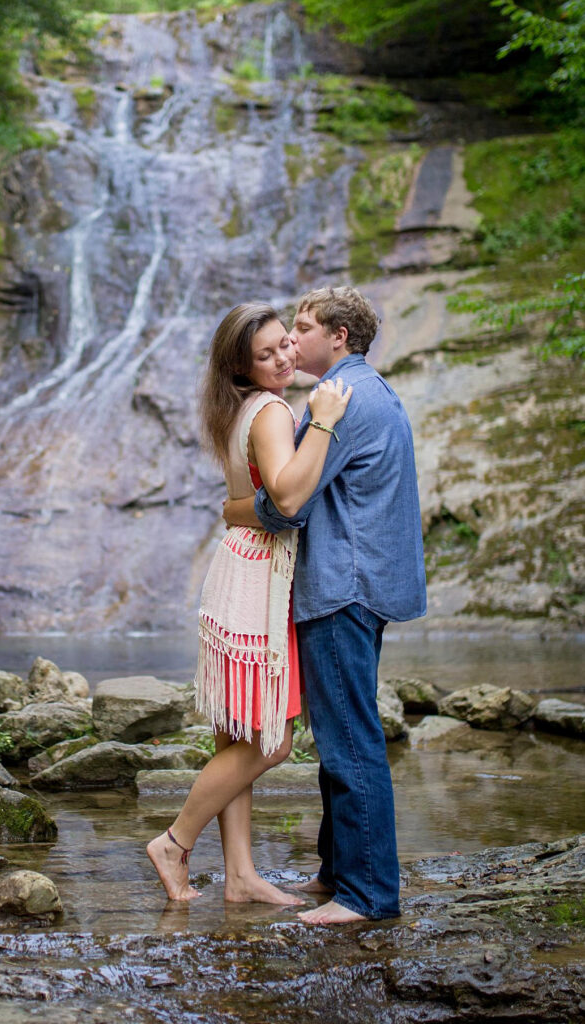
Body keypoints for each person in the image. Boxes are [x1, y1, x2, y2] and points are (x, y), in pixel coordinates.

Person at [223, 286, 427, 924]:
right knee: (345, 730)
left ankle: (366, 897)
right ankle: (339, 871)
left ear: (338, 337)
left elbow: (291, 502)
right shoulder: (370, 389)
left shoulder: (337, 399)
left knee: (348, 742)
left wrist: (233, 509)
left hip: (343, 586)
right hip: (361, 583)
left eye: (302, 329)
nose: (291, 343)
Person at [146, 302, 352, 904]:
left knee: (236, 734)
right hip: (259, 582)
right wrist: (325, 421)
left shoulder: (237, 410)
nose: (285, 357)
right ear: (241, 365)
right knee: (271, 741)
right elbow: (288, 498)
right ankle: (176, 840)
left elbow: (244, 502)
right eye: (265, 355)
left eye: (286, 343)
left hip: (236, 569)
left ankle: (240, 875)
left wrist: (237, 507)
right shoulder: (271, 410)